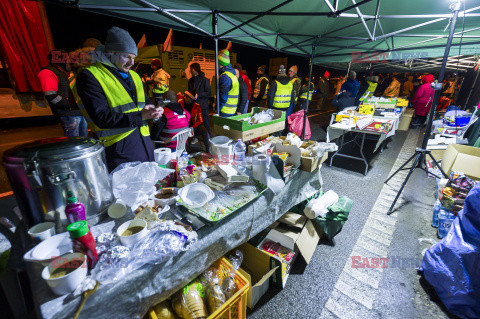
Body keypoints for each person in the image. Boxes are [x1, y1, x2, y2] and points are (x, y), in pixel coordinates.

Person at [76, 26, 163, 172]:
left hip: (144, 144)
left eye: (133, 57)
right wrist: (141, 115)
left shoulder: (134, 76)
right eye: (126, 56)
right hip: (119, 149)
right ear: (111, 53)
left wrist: (153, 111)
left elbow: (145, 102)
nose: (131, 62)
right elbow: (102, 118)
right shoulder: (90, 76)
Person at [38, 50, 88, 137]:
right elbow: (51, 95)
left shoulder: (64, 72)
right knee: (73, 142)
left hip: (78, 111)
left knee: (83, 141)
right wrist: (68, 104)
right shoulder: (47, 72)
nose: (69, 61)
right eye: (67, 59)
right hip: (68, 114)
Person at [187, 62, 212, 137]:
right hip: (193, 106)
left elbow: (209, 93)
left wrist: (199, 95)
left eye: (191, 69)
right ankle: (196, 137)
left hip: (202, 105)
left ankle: (209, 137)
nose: (190, 71)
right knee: (194, 123)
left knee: (206, 122)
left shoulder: (205, 80)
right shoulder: (190, 80)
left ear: (194, 69)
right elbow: (189, 90)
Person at [217, 50, 239, 117]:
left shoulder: (225, 76)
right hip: (232, 109)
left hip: (225, 110)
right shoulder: (232, 75)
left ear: (220, 64)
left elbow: (223, 96)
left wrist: (218, 108)